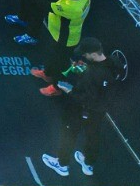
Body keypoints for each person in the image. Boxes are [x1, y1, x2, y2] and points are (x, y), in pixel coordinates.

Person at [41, 39, 118, 177]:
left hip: (82, 109)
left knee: (69, 133)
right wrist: (84, 70)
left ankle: (62, 164)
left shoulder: (93, 74)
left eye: (86, 55)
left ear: (93, 54)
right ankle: (88, 163)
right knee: (93, 136)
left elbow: (86, 97)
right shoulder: (113, 63)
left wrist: (68, 90)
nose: (84, 57)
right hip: (100, 110)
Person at [33, 0, 91, 87]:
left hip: (64, 38)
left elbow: (43, 4)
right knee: (55, 57)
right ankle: (48, 74)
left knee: (58, 61)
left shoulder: (71, 8)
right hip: (69, 34)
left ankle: (55, 86)